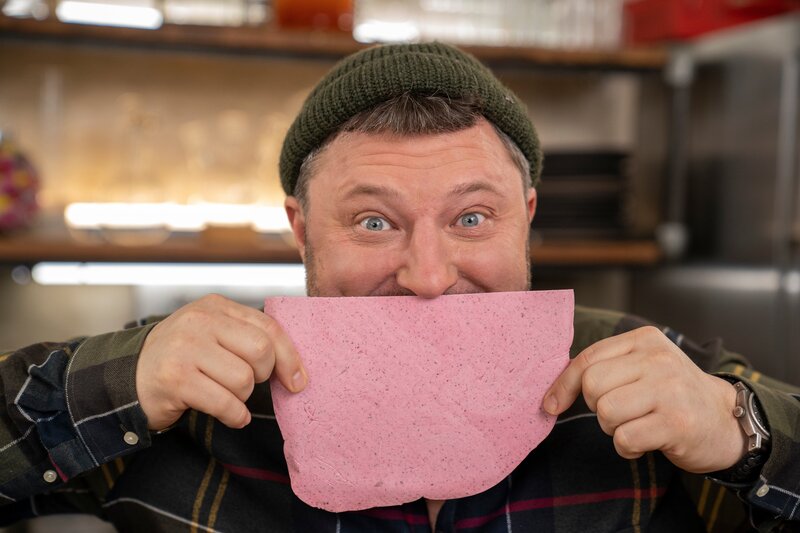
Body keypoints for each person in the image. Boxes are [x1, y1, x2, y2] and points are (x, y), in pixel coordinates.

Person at [1, 42, 798, 533]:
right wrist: (111, 385)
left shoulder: (642, 371)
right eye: (374, 222)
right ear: (301, 229)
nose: (429, 279)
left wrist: (744, 432)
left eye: (472, 218)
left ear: (525, 217)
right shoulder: (188, 389)